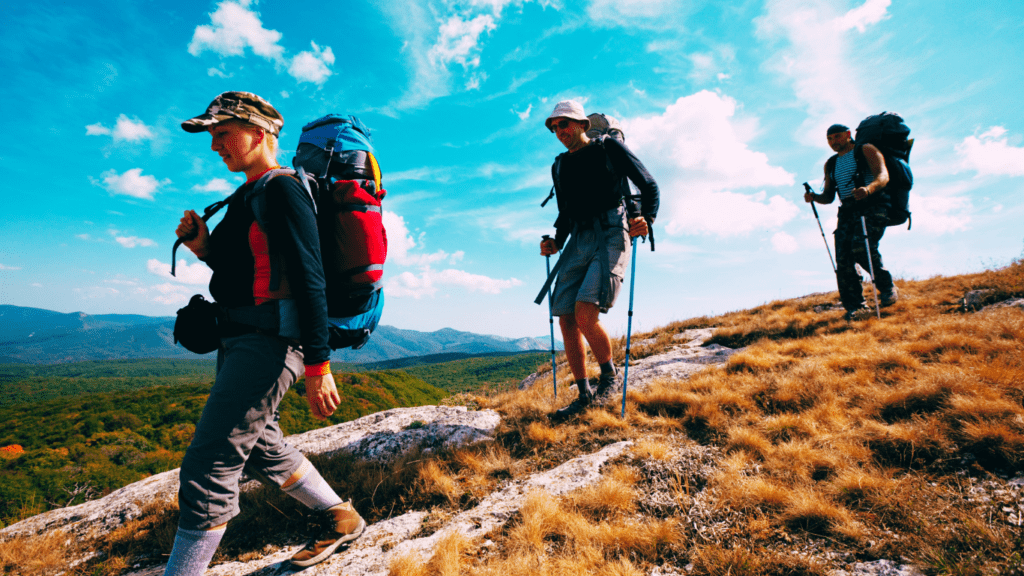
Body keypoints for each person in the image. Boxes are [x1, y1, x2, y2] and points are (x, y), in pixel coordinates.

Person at [166, 92, 364, 574]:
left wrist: (319, 363)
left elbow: (308, 276)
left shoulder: (282, 190)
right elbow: (249, 271)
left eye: (222, 134)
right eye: (211, 137)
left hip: (272, 342)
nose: (215, 146)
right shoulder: (248, 195)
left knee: (208, 467)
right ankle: (341, 516)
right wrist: (204, 248)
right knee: (258, 445)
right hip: (242, 338)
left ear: (259, 133)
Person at [538, 100, 659, 422]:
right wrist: (555, 241)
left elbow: (648, 184)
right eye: (554, 128)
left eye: (564, 124)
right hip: (578, 237)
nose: (559, 132)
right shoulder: (560, 165)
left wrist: (647, 218)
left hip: (610, 232)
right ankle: (584, 394)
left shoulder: (609, 148)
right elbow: (565, 212)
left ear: (581, 124)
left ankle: (610, 377)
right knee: (566, 318)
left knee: (584, 313)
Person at [804, 123, 898, 321]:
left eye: (837, 137)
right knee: (844, 259)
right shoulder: (831, 163)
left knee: (861, 248)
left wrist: (868, 189)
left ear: (848, 135)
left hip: (873, 205)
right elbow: (829, 196)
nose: (833, 142)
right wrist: (814, 197)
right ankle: (855, 307)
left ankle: (887, 287)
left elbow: (883, 175)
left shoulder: (865, 150)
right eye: (829, 139)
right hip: (847, 210)